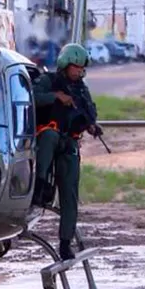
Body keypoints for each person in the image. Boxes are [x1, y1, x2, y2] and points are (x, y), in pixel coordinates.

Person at [32, 43, 102, 261]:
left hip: (70, 143)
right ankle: (40, 186)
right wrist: (55, 97)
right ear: (65, 65)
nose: (79, 72)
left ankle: (65, 242)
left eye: (82, 69)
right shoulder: (48, 81)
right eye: (76, 67)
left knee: (70, 193)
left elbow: (89, 112)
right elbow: (32, 97)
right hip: (48, 136)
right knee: (50, 137)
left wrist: (91, 125)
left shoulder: (82, 89)